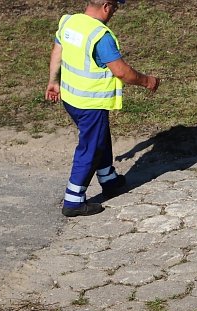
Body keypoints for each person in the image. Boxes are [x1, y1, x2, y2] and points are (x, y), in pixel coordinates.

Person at [45, 0, 160, 217]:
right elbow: (122, 72)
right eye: (115, 8)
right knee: (90, 147)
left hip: (71, 98)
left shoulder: (69, 22)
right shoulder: (100, 36)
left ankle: (108, 178)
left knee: (99, 135)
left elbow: (57, 51)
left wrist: (53, 81)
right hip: (91, 102)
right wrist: (148, 81)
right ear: (106, 6)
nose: (114, 12)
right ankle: (74, 200)